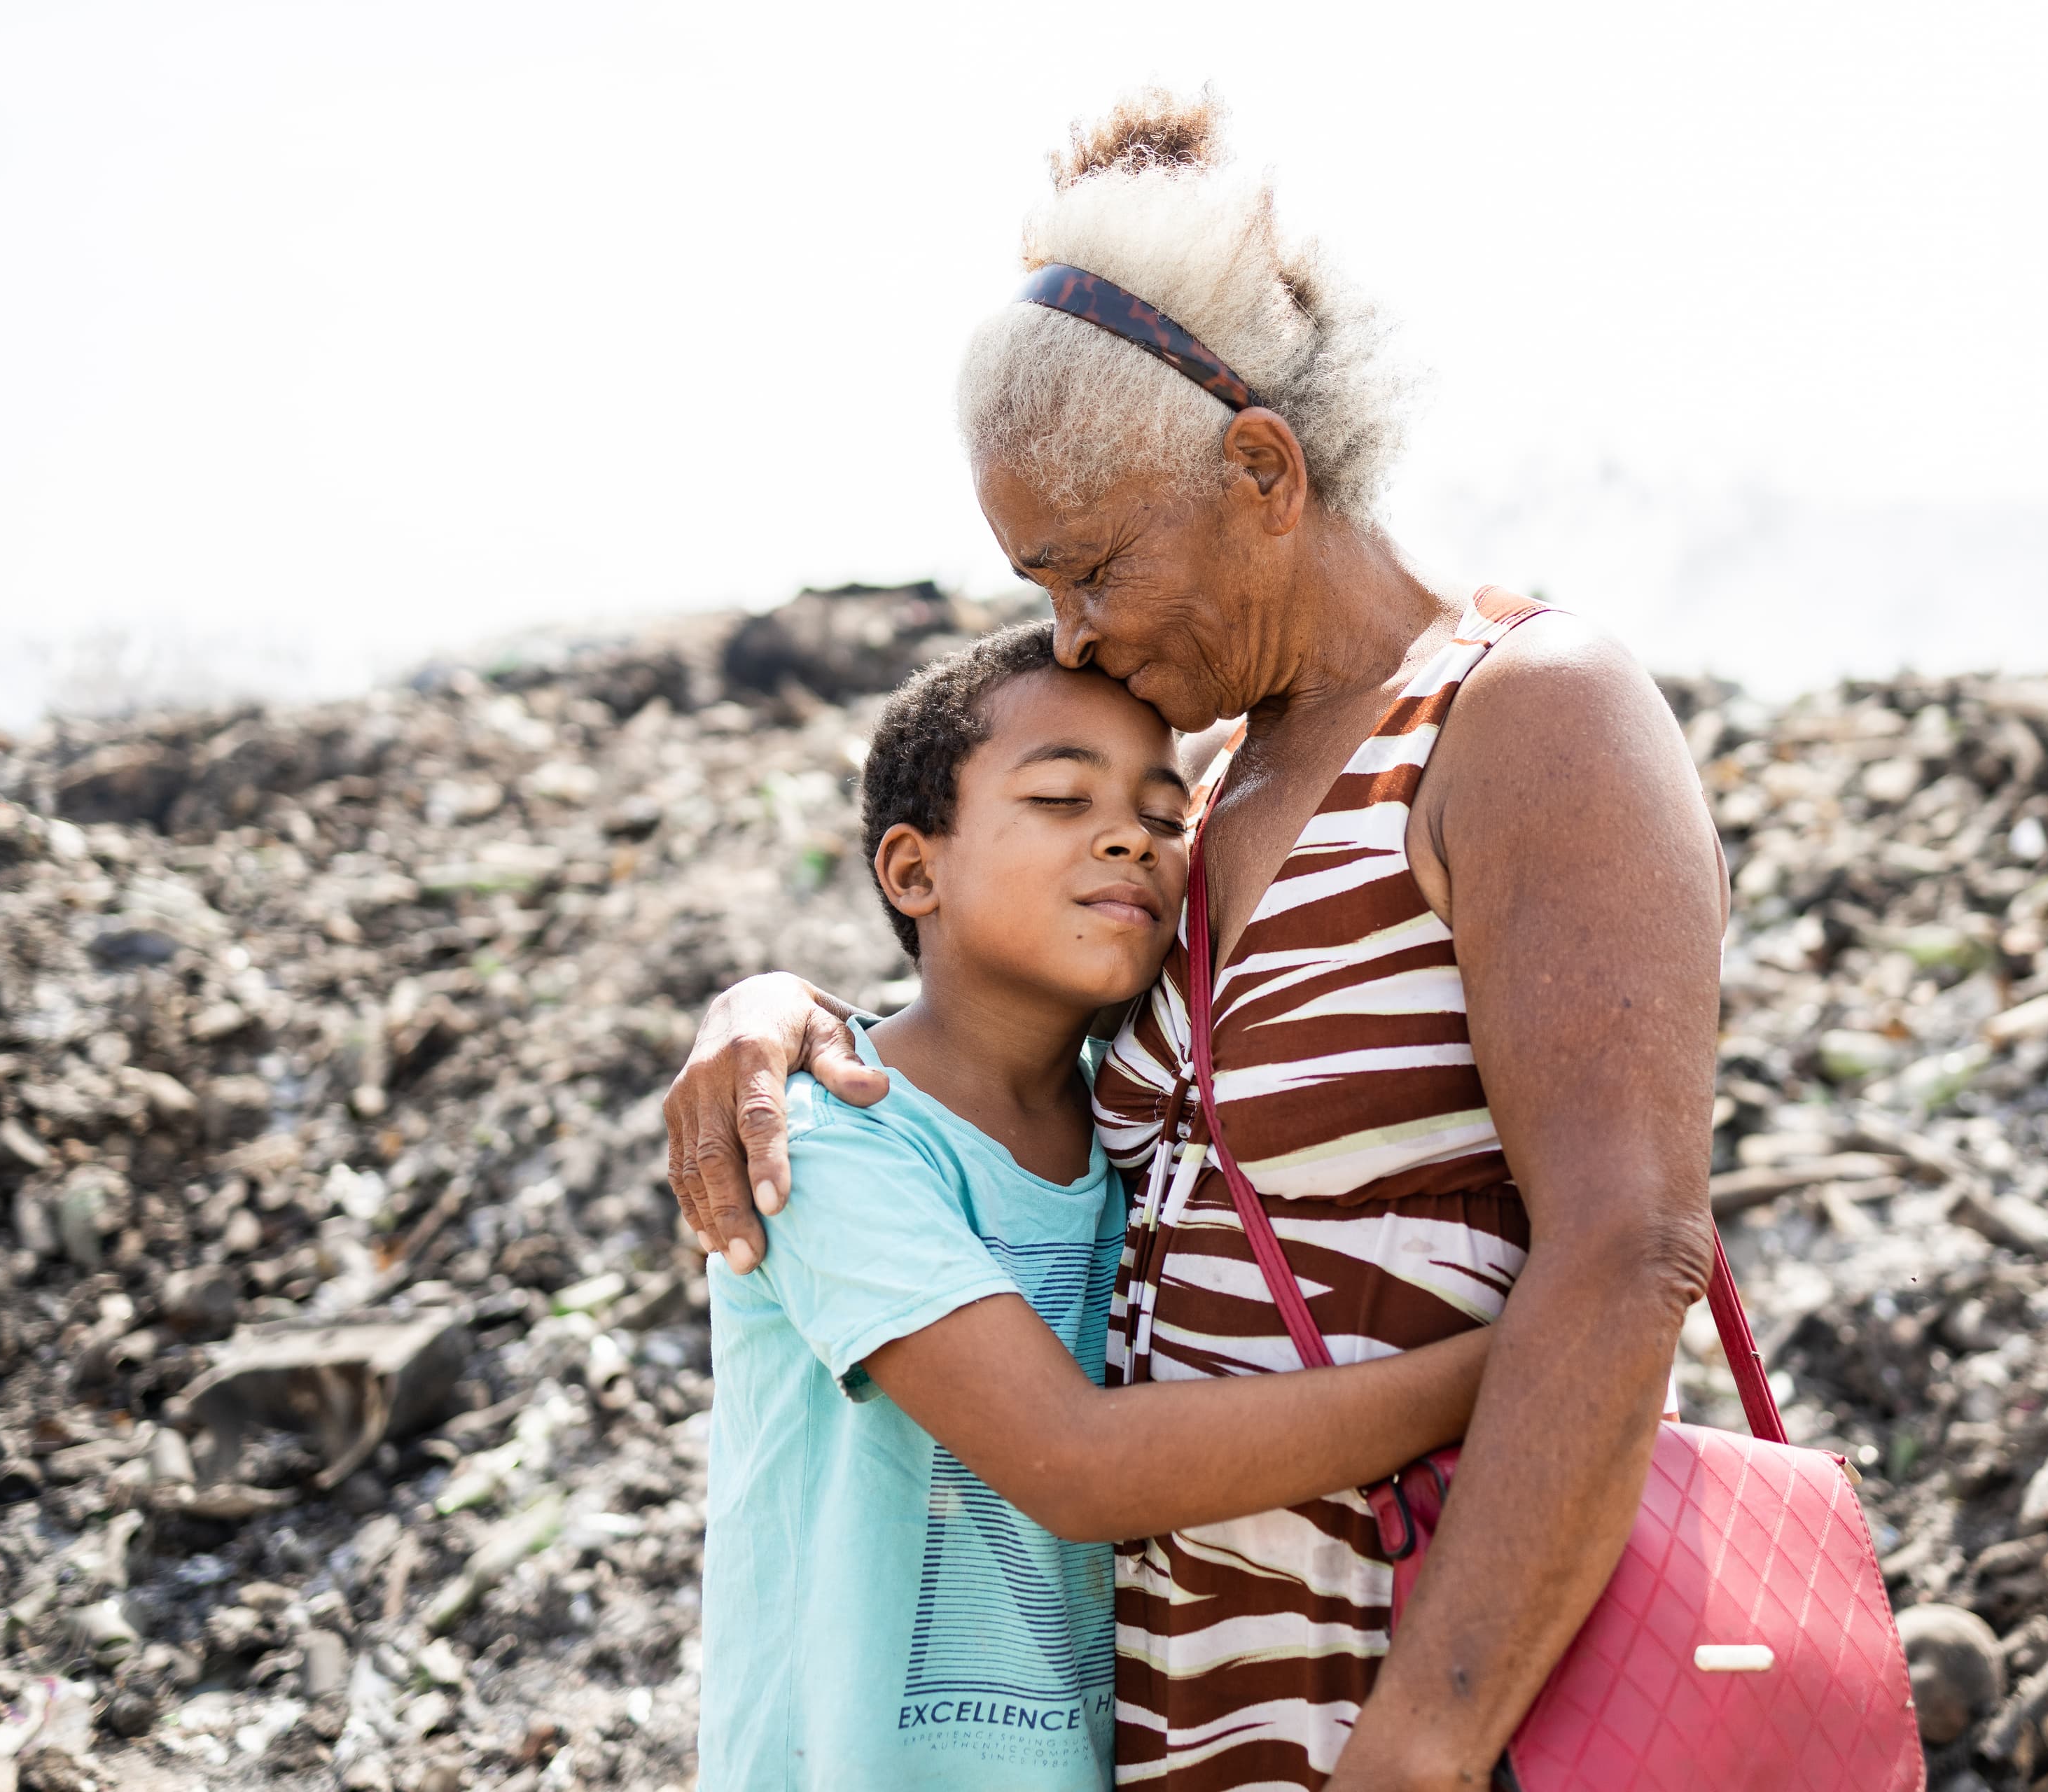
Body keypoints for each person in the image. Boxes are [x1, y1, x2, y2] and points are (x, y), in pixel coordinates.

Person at [669, 92, 1727, 1792]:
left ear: (1260, 471)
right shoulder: (1193, 793)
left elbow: (1629, 1246)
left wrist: (1426, 1738)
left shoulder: (1526, 716)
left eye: (1088, 567)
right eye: (1038, 585)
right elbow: (996, 1046)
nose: (1071, 634)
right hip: (1179, 1726)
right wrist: (774, 1001)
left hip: (1443, 1719)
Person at [701, 622, 1491, 1792]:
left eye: (1167, 819)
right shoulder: (833, 1146)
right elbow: (1078, 1468)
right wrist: (1520, 1366)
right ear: (915, 871)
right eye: (1062, 797)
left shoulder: (1138, 1128)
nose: (1130, 835)